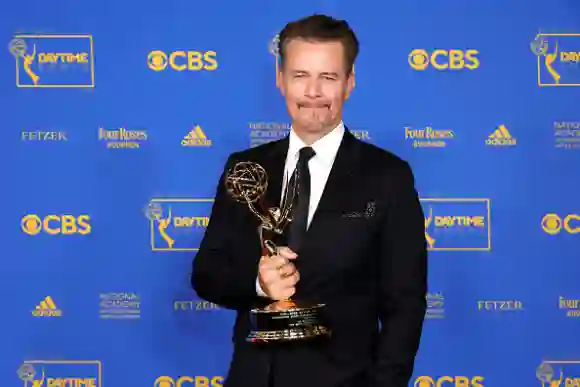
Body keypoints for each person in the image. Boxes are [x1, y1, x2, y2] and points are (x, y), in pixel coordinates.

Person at [191, 13, 427, 387]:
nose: (313, 92)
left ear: (349, 83)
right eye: (300, 76)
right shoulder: (245, 168)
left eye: (328, 77)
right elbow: (207, 274)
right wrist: (258, 283)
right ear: (280, 80)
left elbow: (405, 307)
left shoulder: (388, 177)